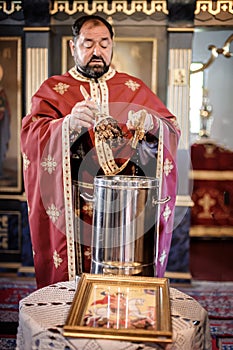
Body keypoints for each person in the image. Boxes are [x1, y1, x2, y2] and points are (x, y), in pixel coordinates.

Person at [21, 15, 180, 289]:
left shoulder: (134, 88)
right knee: (75, 283)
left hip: (127, 208)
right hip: (74, 209)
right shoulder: (54, 90)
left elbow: (171, 130)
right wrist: (66, 125)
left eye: (104, 44)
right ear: (73, 47)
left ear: (112, 45)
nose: (97, 51)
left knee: (123, 280)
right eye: (89, 43)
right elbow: (31, 135)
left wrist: (153, 124)